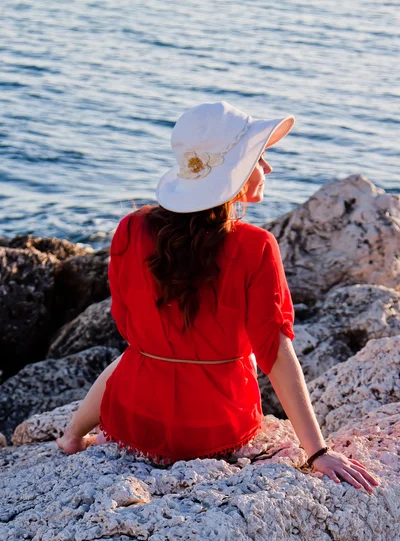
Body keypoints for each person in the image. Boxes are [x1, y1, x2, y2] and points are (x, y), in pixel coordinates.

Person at [57, 101, 379, 494]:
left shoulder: (130, 227)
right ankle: (75, 434)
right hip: (216, 427)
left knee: (140, 352)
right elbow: (275, 353)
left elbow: (127, 329)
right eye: (260, 158)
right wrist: (318, 451)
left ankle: (72, 436)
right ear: (236, 172)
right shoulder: (256, 246)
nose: (269, 168)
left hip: (134, 419)